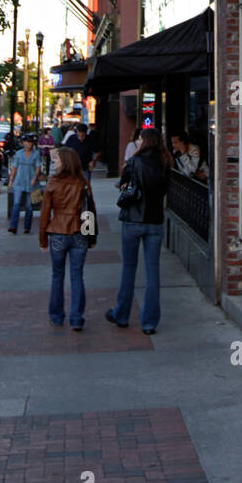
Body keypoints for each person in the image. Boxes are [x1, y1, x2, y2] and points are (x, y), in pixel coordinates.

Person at [106, 129, 170, 335]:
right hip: (155, 221)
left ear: (145, 141)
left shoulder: (134, 162)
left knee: (129, 268)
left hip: (133, 219)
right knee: (153, 272)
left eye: (140, 139)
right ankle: (149, 322)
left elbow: (123, 184)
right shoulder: (165, 162)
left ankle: (122, 314)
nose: (137, 141)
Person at [39, 147, 88, 330]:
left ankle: (57, 316)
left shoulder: (53, 183)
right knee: (77, 276)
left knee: (57, 275)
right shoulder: (82, 182)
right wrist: (90, 236)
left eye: (56, 161)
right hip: (79, 232)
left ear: (65, 162)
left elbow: (45, 214)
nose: (54, 164)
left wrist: (43, 239)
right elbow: (89, 210)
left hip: (58, 231)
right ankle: (77, 318)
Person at [8, 135, 42, 234]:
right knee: (16, 204)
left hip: (31, 182)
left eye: (30, 142)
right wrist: (11, 180)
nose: (28, 144)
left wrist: (35, 178)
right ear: (23, 143)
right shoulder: (18, 154)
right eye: (26, 142)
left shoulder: (36, 154)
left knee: (29, 206)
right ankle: (13, 226)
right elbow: (14, 167)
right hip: (19, 181)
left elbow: (38, 167)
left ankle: (27, 227)